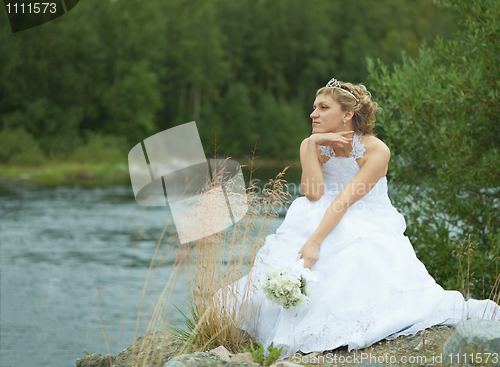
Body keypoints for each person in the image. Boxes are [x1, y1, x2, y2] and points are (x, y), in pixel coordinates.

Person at [224, 77, 500, 359]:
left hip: (364, 215)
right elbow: (313, 193)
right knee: (304, 216)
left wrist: (314, 242)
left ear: (347, 115)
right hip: (323, 209)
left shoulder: (377, 150)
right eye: (314, 107)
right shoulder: (313, 144)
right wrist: (311, 144)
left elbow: (344, 201)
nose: (313, 113)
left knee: (350, 235)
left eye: (322, 107)